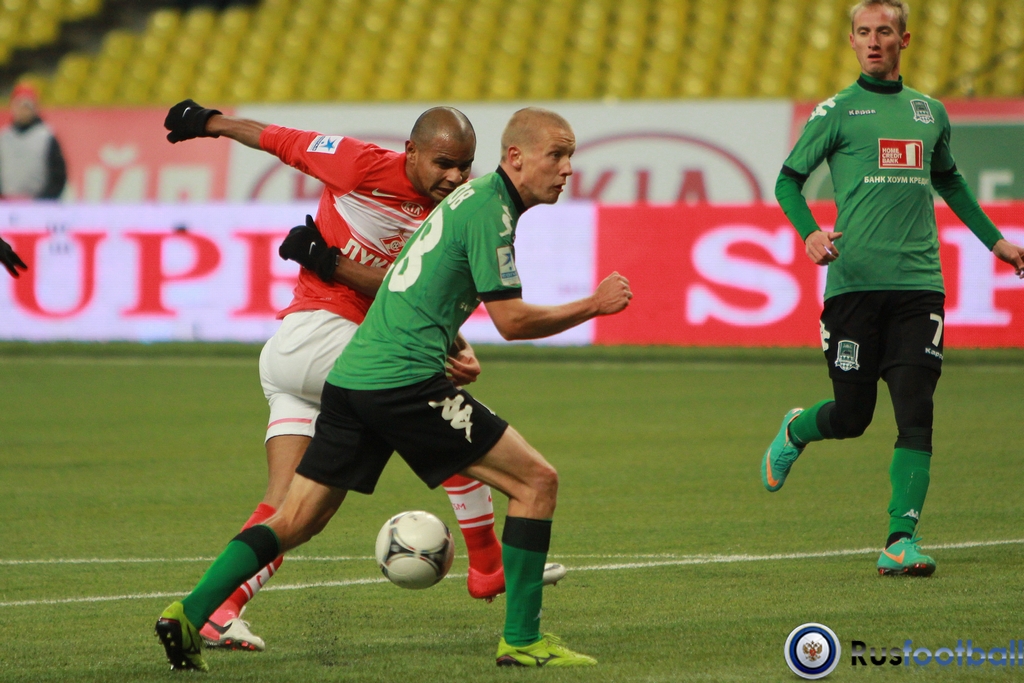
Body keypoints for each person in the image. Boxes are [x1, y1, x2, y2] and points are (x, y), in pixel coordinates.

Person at [155, 107, 632, 671]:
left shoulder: (462, 202)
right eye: (557, 155)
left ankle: (188, 612)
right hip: (398, 377)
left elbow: (411, 285)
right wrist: (594, 305)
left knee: (296, 517)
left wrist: (445, 337)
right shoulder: (488, 210)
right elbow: (512, 321)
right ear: (516, 158)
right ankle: (520, 634)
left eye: (569, 156)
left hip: (354, 374)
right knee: (536, 481)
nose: (568, 168)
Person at [763, 0, 1024, 577]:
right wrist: (810, 234)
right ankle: (797, 428)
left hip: (918, 286)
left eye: (884, 31)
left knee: (916, 410)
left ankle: (900, 539)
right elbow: (787, 181)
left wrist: (996, 242)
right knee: (853, 415)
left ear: (904, 40)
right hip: (853, 286)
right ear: (852, 41)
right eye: (864, 32)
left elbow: (950, 180)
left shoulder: (930, 113)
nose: (874, 40)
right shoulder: (836, 112)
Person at [0, 83, 67, 200]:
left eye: (27, 106)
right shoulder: (4, 137)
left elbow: (58, 173)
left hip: (37, 203)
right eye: (19, 105)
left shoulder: (46, 136)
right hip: (7, 202)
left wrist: (45, 199)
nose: (23, 110)